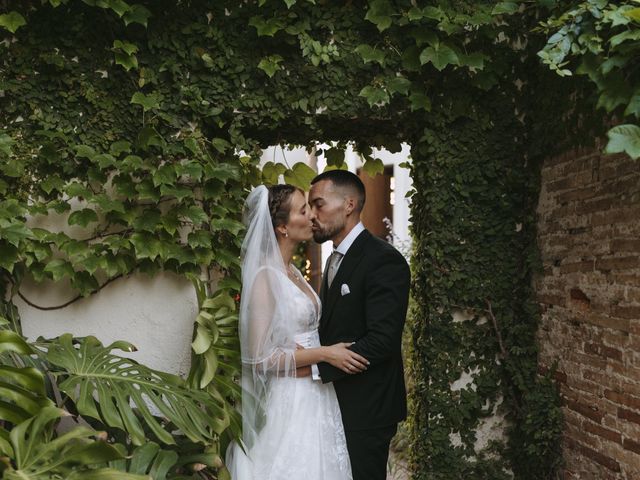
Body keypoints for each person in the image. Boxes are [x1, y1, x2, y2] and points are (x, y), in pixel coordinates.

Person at [225, 184, 369, 480]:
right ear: (282, 227)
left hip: (317, 392)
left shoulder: (292, 272)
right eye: (303, 210)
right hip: (291, 399)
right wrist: (327, 354)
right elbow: (259, 358)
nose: (312, 216)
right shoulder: (265, 277)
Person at [308, 170, 411, 480]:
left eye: (318, 204)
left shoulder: (383, 260)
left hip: (368, 406)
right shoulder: (333, 259)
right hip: (335, 402)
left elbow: (382, 340)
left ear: (349, 204)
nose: (312, 215)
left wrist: (315, 366)